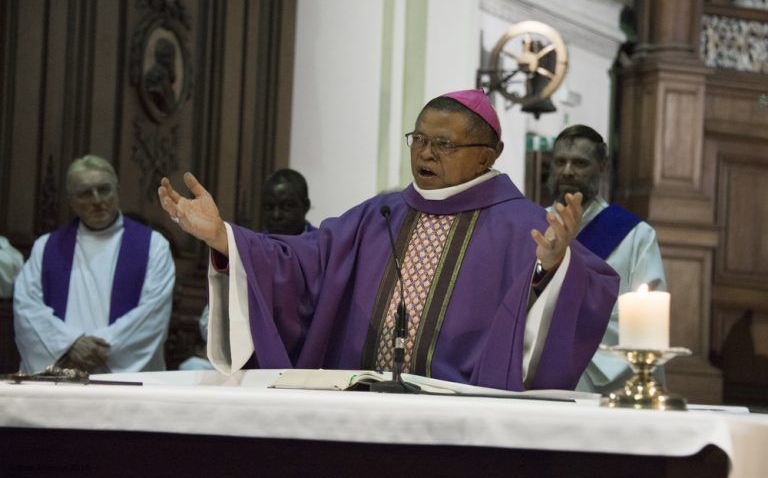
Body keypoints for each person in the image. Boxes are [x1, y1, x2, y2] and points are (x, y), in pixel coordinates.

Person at [159, 90, 619, 391]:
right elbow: (302, 262)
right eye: (419, 139)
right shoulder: (377, 216)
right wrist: (224, 237)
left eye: (444, 144)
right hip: (359, 408)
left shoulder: (524, 225)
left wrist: (552, 268)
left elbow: (592, 290)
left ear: (487, 156)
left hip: (462, 418)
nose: (425, 153)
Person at [13, 155, 175, 374]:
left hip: (122, 380)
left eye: (104, 189)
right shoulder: (46, 247)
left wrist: (95, 348)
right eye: (85, 193)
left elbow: (152, 313)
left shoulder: (154, 246)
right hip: (62, 371)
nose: (97, 200)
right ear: (71, 201)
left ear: (117, 190)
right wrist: (70, 344)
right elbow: (27, 307)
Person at [547, 124, 667, 394]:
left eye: (580, 163)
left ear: (602, 166)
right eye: (560, 162)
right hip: (534, 366)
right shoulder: (532, 224)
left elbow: (648, 317)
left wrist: (570, 331)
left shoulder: (635, 235)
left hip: (600, 374)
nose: (567, 171)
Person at [179, 167, 316, 371]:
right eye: (269, 207)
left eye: (286, 206)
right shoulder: (247, 249)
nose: (276, 215)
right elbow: (212, 319)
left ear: (305, 206)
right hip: (255, 357)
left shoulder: (320, 250)